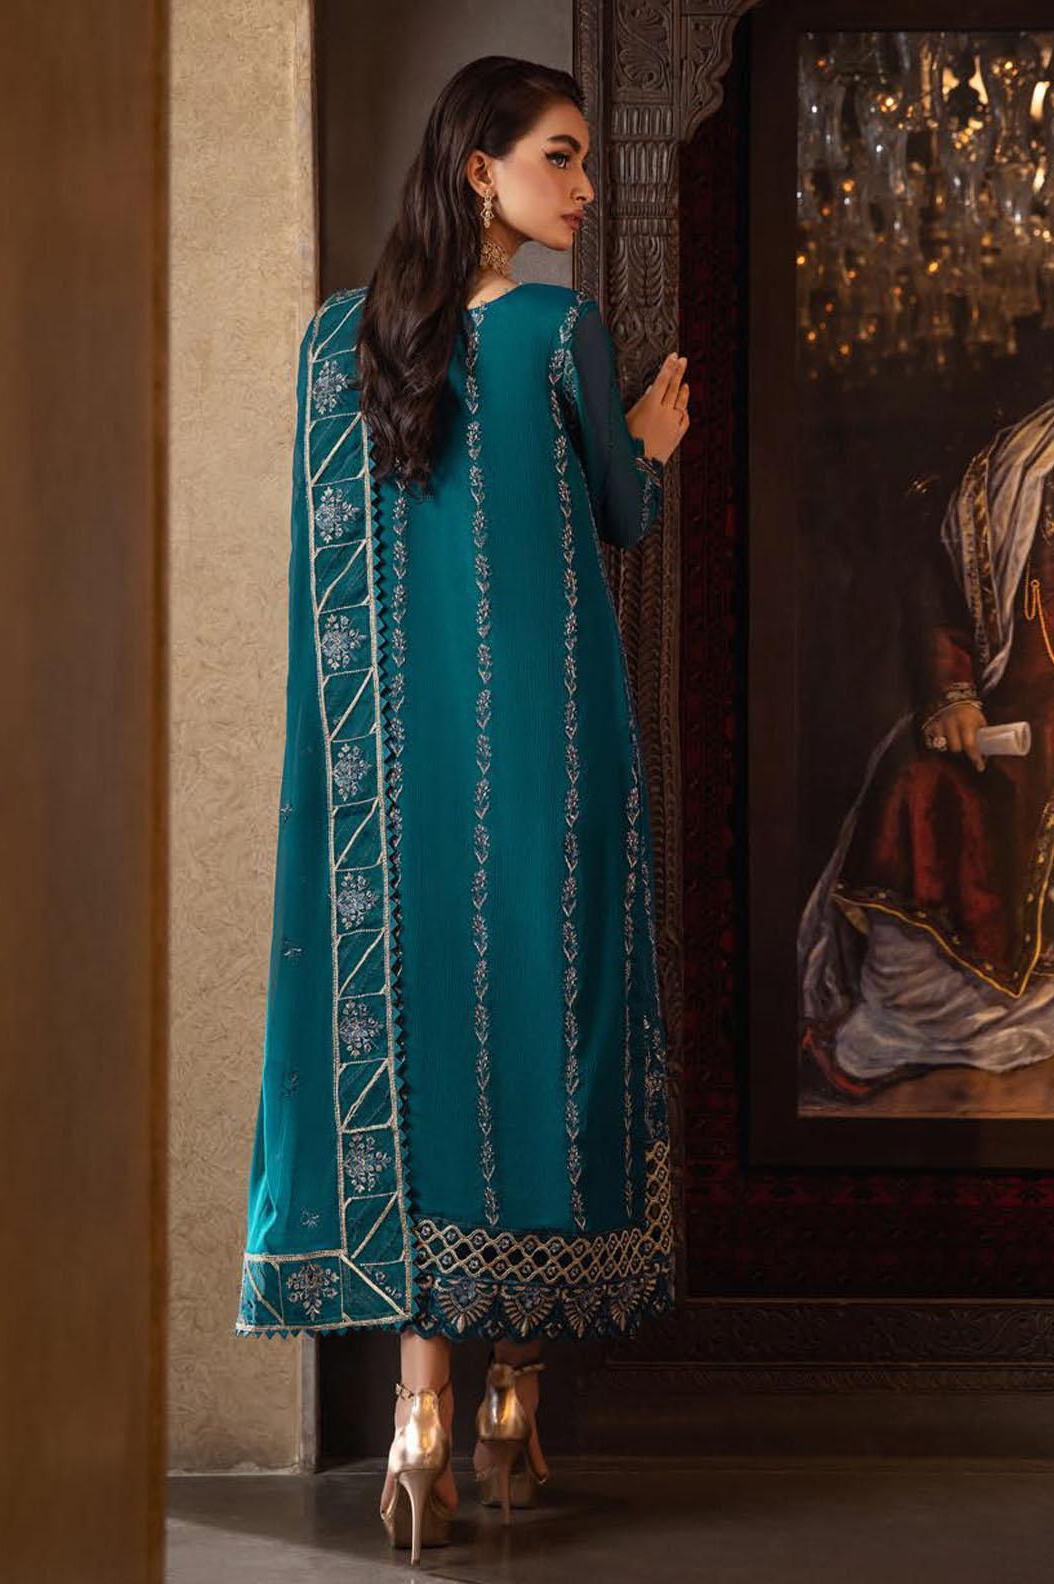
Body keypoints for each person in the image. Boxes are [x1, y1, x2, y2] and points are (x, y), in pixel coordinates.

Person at [233, 55, 691, 1559]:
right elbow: (620, 513)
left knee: (425, 1029)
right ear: (478, 170)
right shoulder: (561, 333)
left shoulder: (338, 344)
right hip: (551, 751)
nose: (586, 186)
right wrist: (651, 442)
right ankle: (510, 1397)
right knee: (540, 1027)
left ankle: (416, 1411)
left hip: (392, 781)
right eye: (562, 157)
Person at [800, 398, 1054, 1101]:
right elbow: (940, 600)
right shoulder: (1010, 473)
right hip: (1014, 714)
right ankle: (898, 1031)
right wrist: (956, 696)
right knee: (916, 782)